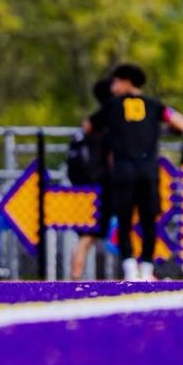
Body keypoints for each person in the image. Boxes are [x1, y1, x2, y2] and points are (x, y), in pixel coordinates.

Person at [83, 62, 183, 282]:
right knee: (149, 219)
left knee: (124, 219)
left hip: (123, 171)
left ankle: (130, 266)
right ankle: (147, 267)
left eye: (116, 81)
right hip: (148, 171)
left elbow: (88, 125)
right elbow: (182, 123)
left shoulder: (112, 105)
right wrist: (157, 130)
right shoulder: (153, 105)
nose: (113, 86)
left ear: (126, 82)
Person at [69, 76, 113, 280]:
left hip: (85, 187)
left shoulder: (89, 127)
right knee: (89, 236)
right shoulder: (107, 120)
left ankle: (75, 276)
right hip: (101, 187)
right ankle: (140, 273)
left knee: (86, 237)